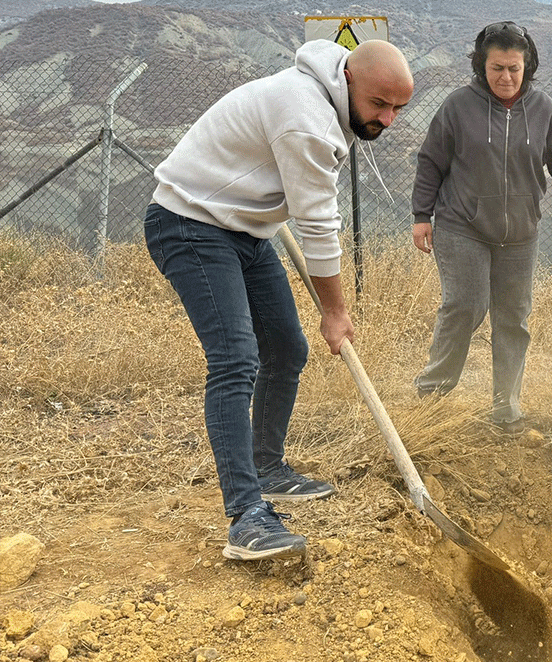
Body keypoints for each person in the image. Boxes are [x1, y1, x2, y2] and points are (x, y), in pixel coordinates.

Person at [145, 39, 415, 561]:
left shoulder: (326, 102)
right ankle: (246, 516)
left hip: (245, 229)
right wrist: (335, 311)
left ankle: (266, 466)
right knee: (235, 360)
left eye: (398, 108)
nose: (387, 119)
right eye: (380, 104)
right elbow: (318, 225)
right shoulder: (306, 118)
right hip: (191, 223)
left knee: (287, 348)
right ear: (348, 79)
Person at [411, 21, 552, 432]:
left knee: (513, 319)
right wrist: (421, 216)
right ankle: (432, 396)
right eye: (497, 68)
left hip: (520, 233)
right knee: (465, 306)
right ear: (481, 66)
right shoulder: (457, 106)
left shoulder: (543, 109)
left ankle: (506, 410)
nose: (505, 77)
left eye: (514, 68)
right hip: (462, 225)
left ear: (527, 67)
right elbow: (431, 161)